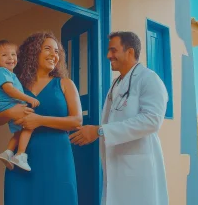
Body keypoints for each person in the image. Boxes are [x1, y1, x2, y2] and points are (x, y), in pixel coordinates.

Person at [69, 31, 169, 205]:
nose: (108, 55)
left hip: (138, 170)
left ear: (129, 52)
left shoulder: (149, 79)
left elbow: (152, 120)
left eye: (113, 50)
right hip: (117, 167)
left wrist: (100, 131)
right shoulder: (116, 84)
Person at [0, 31, 82, 205]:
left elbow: (77, 120)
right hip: (21, 161)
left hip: (57, 158)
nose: (54, 55)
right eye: (47, 49)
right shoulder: (15, 84)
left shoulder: (65, 84)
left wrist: (39, 120)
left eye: (57, 51)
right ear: (33, 52)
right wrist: (11, 113)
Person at [0, 40, 40, 172]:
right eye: (5, 55)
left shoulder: (9, 74)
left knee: (18, 132)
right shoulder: (0, 72)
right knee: (30, 125)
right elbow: (9, 90)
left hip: (10, 106)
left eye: (13, 54)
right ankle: (21, 154)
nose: (11, 58)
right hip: (10, 106)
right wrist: (27, 98)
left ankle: (8, 153)